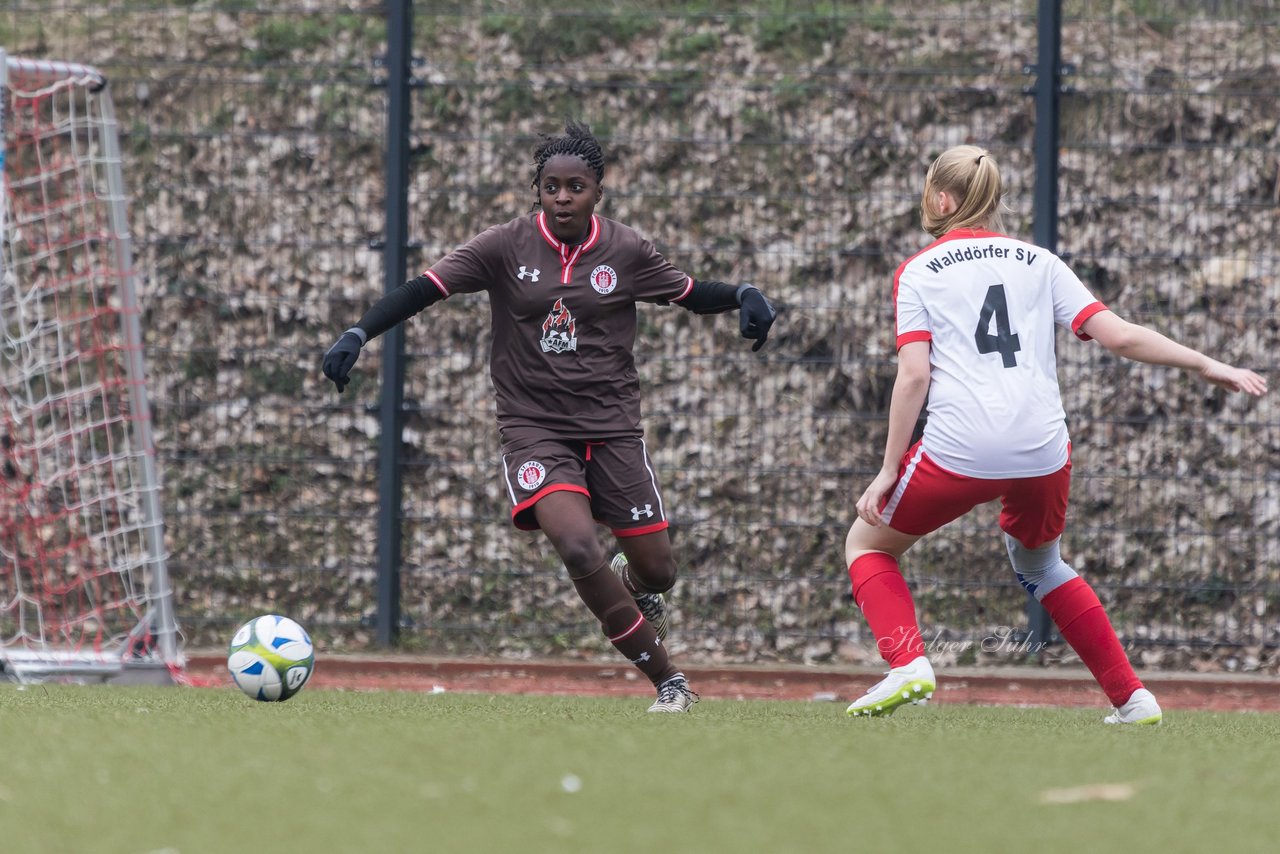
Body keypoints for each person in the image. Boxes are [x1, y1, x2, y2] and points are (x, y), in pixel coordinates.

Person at [323, 120, 777, 712]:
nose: (563, 198)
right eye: (552, 187)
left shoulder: (627, 251)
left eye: (577, 187)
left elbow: (690, 292)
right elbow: (424, 287)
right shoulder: (504, 246)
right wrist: (360, 332)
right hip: (534, 428)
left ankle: (636, 585)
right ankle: (670, 681)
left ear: (598, 193)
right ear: (537, 190)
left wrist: (743, 293)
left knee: (659, 571)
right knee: (580, 549)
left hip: (613, 428)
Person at [843, 144, 1267, 724]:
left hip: (960, 448)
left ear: (942, 199)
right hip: (1042, 449)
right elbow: (1118, 336)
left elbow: (915, 374)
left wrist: (889, 470)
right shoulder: (1039, 261)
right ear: (993, 197)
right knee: (1043, 566)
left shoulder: (918, 271)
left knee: (867, 546)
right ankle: (1133, 699)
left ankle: (908, 663)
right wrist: (1205, 364)